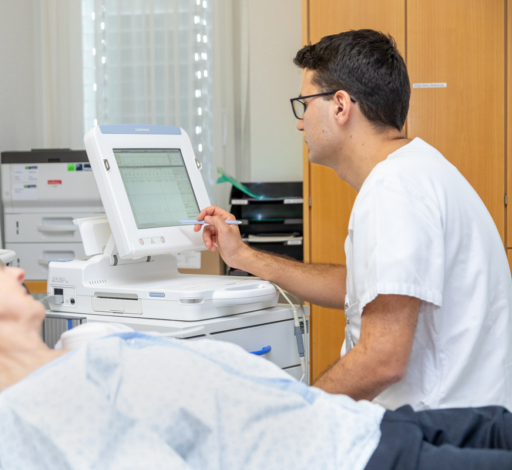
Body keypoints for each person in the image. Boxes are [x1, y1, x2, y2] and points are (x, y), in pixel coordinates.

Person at [0, 219, 512, 469]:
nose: (10, 268)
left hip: (368, 430)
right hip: (360, 460)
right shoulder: (39, 410)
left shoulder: (76, 354)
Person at [196, 29, 512, 410]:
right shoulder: (417, 170)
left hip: (436, 434)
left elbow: (383, 359)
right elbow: (364, 288)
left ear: (341, 106)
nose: (300, 123)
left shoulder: (394, 188)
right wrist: (245, 257)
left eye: (304, 104)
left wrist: (300, 414)